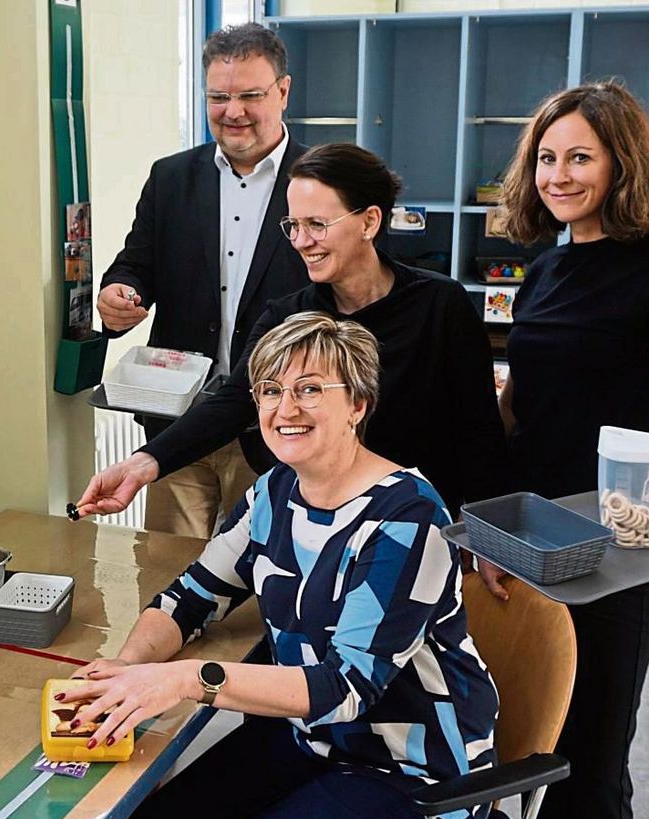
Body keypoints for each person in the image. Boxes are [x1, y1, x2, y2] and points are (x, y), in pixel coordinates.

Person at [61, 313, 499, 819]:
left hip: (409, 777)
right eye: (270, 390)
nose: (284, 407)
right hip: (307, 742)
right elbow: (192, 596)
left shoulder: (406, 519)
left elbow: (343, 690)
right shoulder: (275, 490)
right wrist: (132, 665)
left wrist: (186, 679)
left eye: (310, 389)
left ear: (358, 405)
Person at [80, 143, 509, 587]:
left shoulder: (440, 304)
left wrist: (488, 536)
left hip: (412, 535)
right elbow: (232, 403)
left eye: (318, 225)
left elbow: (478, 430)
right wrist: (143, 464)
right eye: (293, 226)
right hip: (315, 538)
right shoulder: (287, 316)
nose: (302, 242)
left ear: (369, 221)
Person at [497, 81, 649, 819]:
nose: (558, 173)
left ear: (620, 164)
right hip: (525, 534)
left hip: (615, 541)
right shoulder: (544, 268)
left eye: (579, 157)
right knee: (534, 738)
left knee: (591, 758)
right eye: (547, 157)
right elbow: (520, 403)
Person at [97, 22, 310, 539]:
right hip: (179, 424)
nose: (233, 111)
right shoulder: (171, 178)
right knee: (168, 572)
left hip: (278, 427)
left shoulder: (319, 182)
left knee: (263, 580)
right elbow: (136, 264)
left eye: (250, 95)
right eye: (219, 97)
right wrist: (117, 294)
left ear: (282, 91)